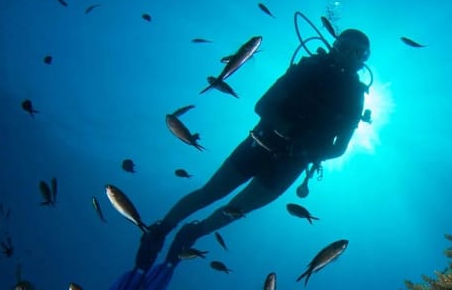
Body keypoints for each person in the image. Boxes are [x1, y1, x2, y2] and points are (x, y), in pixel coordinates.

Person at [111, 29, 371, 290]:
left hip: (290, 164)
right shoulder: (306, 69)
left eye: (357, 52)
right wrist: (289, 133)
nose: (349, 55)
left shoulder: (355, 97)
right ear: (334, 45)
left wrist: (305, 151)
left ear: (364, 59)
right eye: (345, 47)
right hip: (260, 143)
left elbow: (339, 149)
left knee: (236, 210)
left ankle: (192, 234)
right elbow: (262, 105)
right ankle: (161, 229)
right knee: (210, 193)